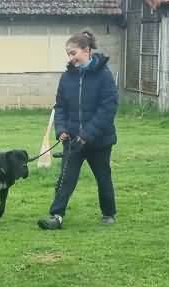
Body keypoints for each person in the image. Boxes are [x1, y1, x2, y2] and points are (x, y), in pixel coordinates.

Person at [38, 29, 119, 230]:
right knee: (66, 178)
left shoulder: (104, 76)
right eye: (68, 54)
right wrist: (62, 130)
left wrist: (87, 134)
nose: (71, 58)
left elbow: (108, 108)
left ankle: (108, 213)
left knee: (103, 177)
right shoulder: (67, 78)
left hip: (99, 141)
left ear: (86, 50)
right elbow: (60, 107)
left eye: (73, 53)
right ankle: (56, 216)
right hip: (73, 141)